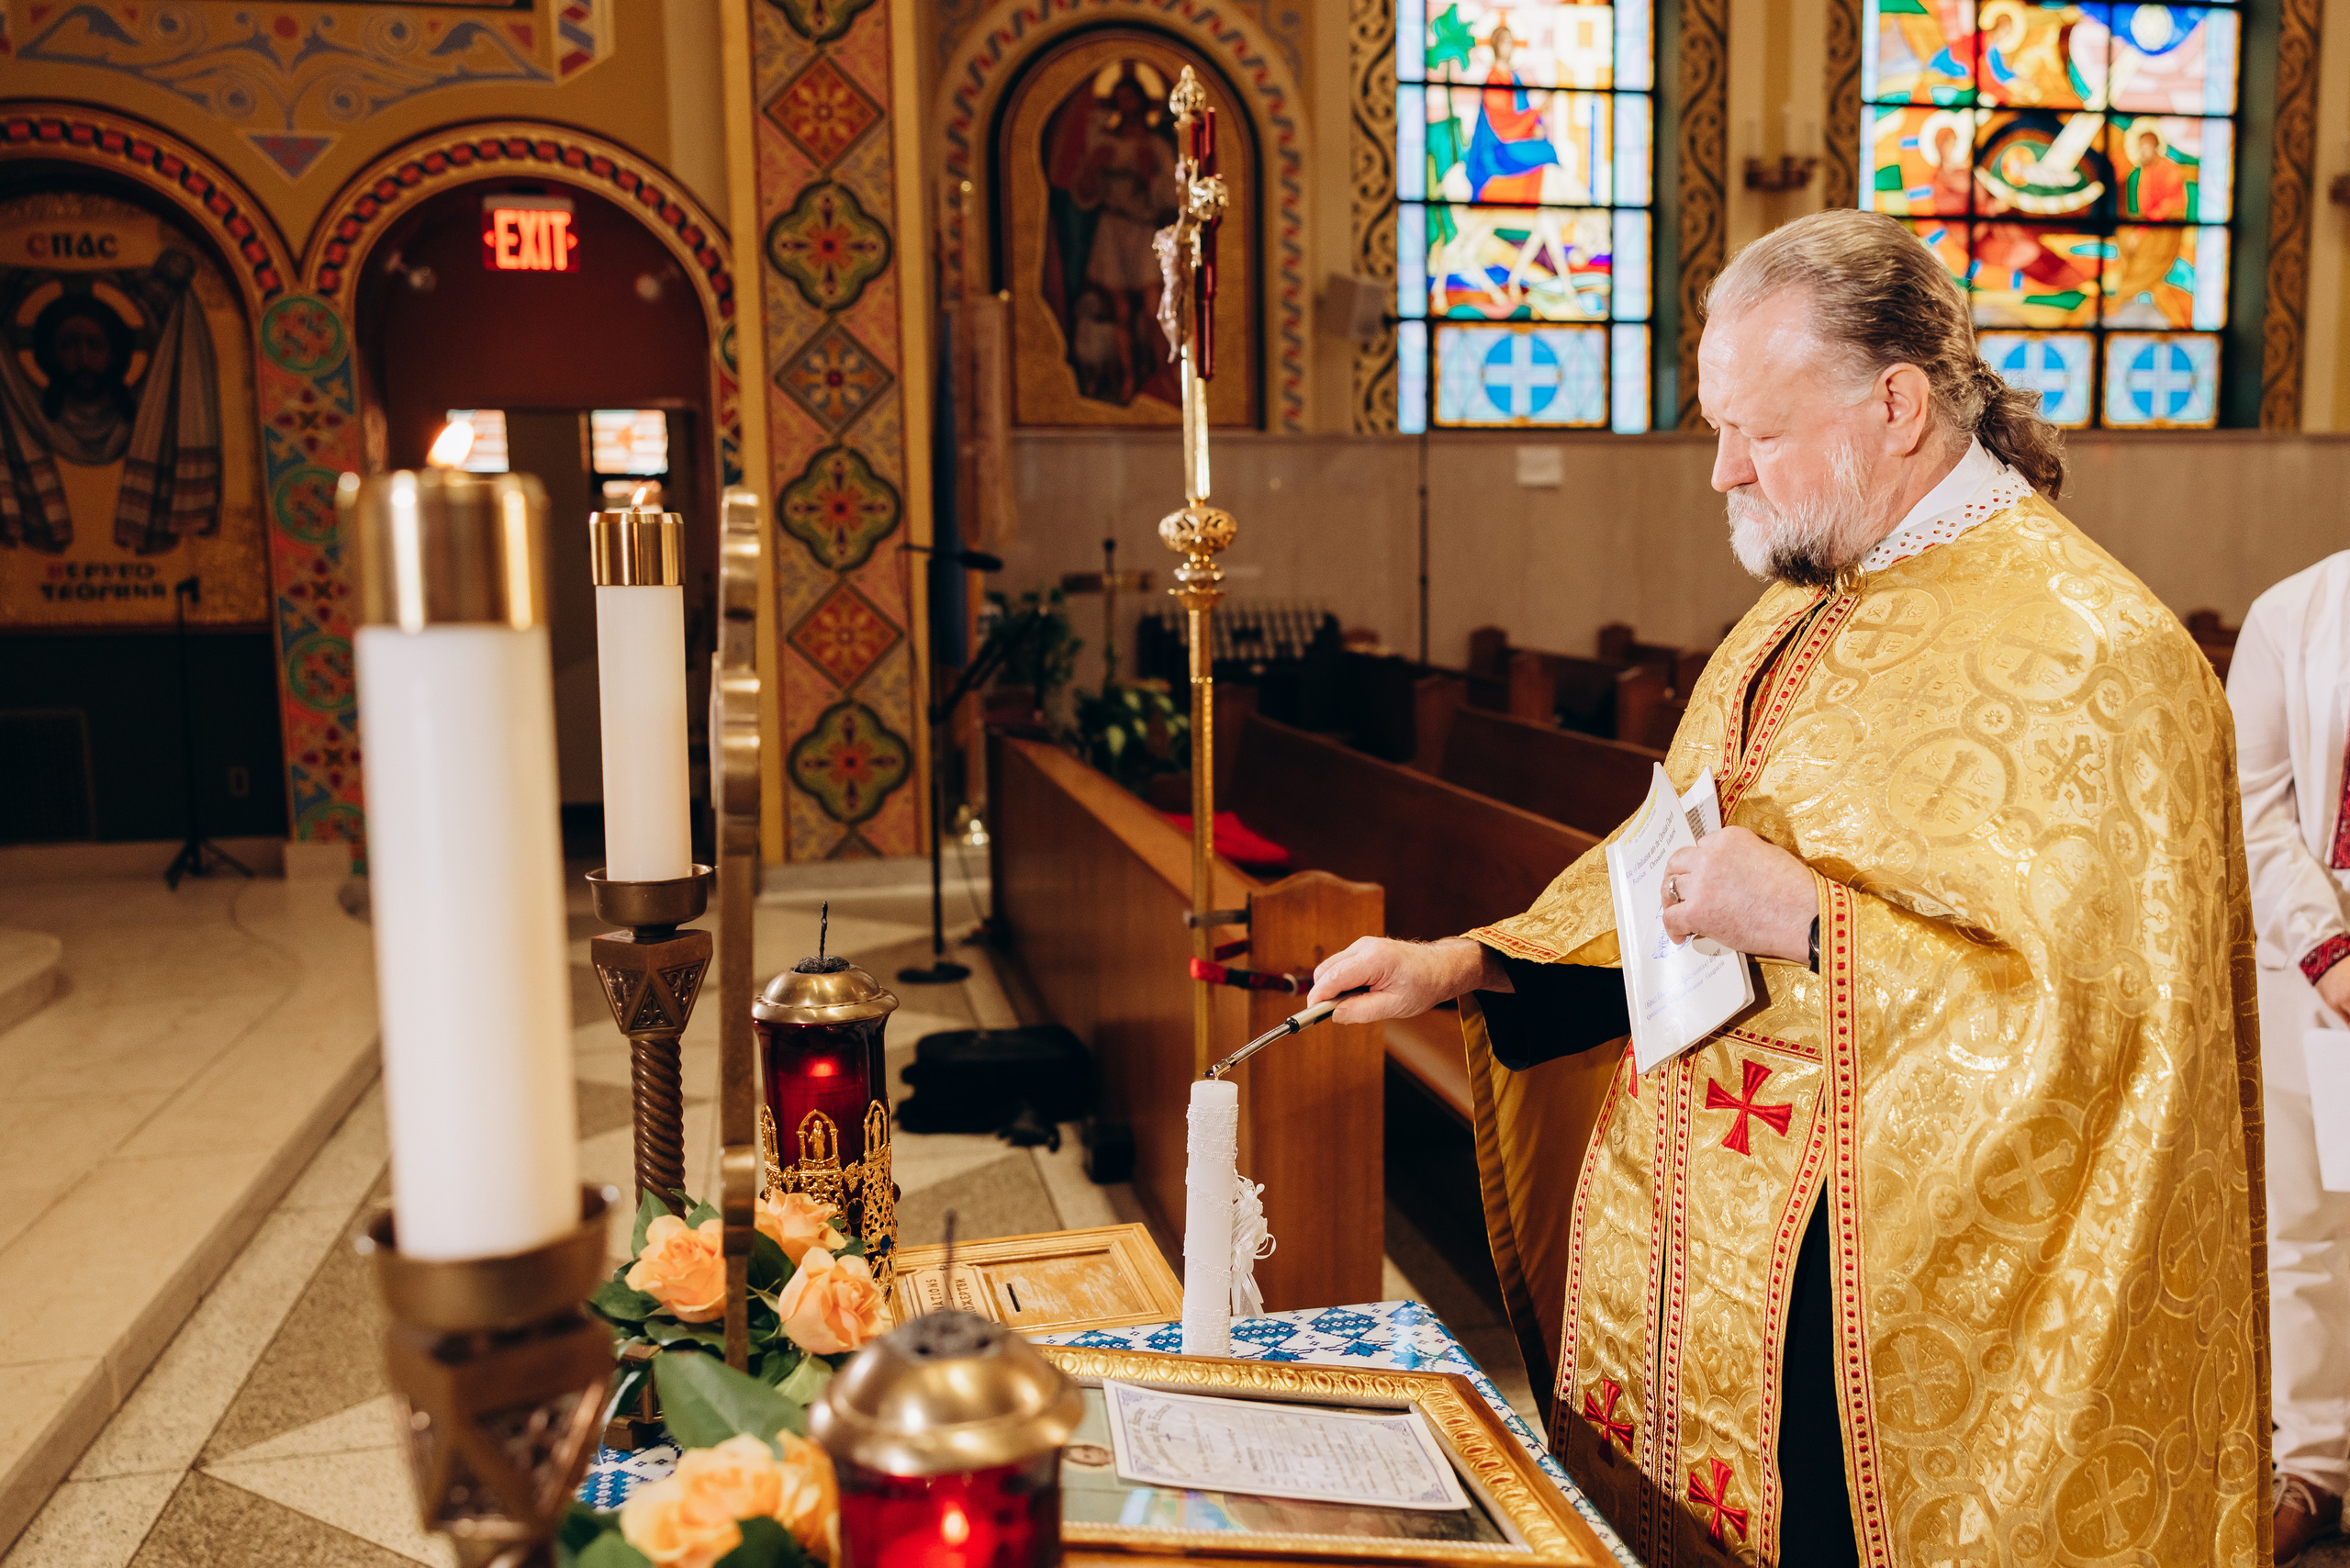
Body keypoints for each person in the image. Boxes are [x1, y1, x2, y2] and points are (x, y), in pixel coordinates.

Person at [1308, 208, 2269, 1565]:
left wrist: (1810, 921)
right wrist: (1473, 962)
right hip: (1726, 1232)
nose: (1720, 473)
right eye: (1716, 427)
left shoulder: (2100, 654)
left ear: (1897, 404)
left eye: (1754, 431)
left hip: (1915, 1298)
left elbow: (2114, 1027)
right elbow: (1678, 854)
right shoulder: (1805, 600)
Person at [2230, 550, 2350, 1565]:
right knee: (2312, 1228)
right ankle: (2312, 1466)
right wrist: (2330, 951)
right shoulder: (2295, 611)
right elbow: (2255, 805)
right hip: (2325, 976)